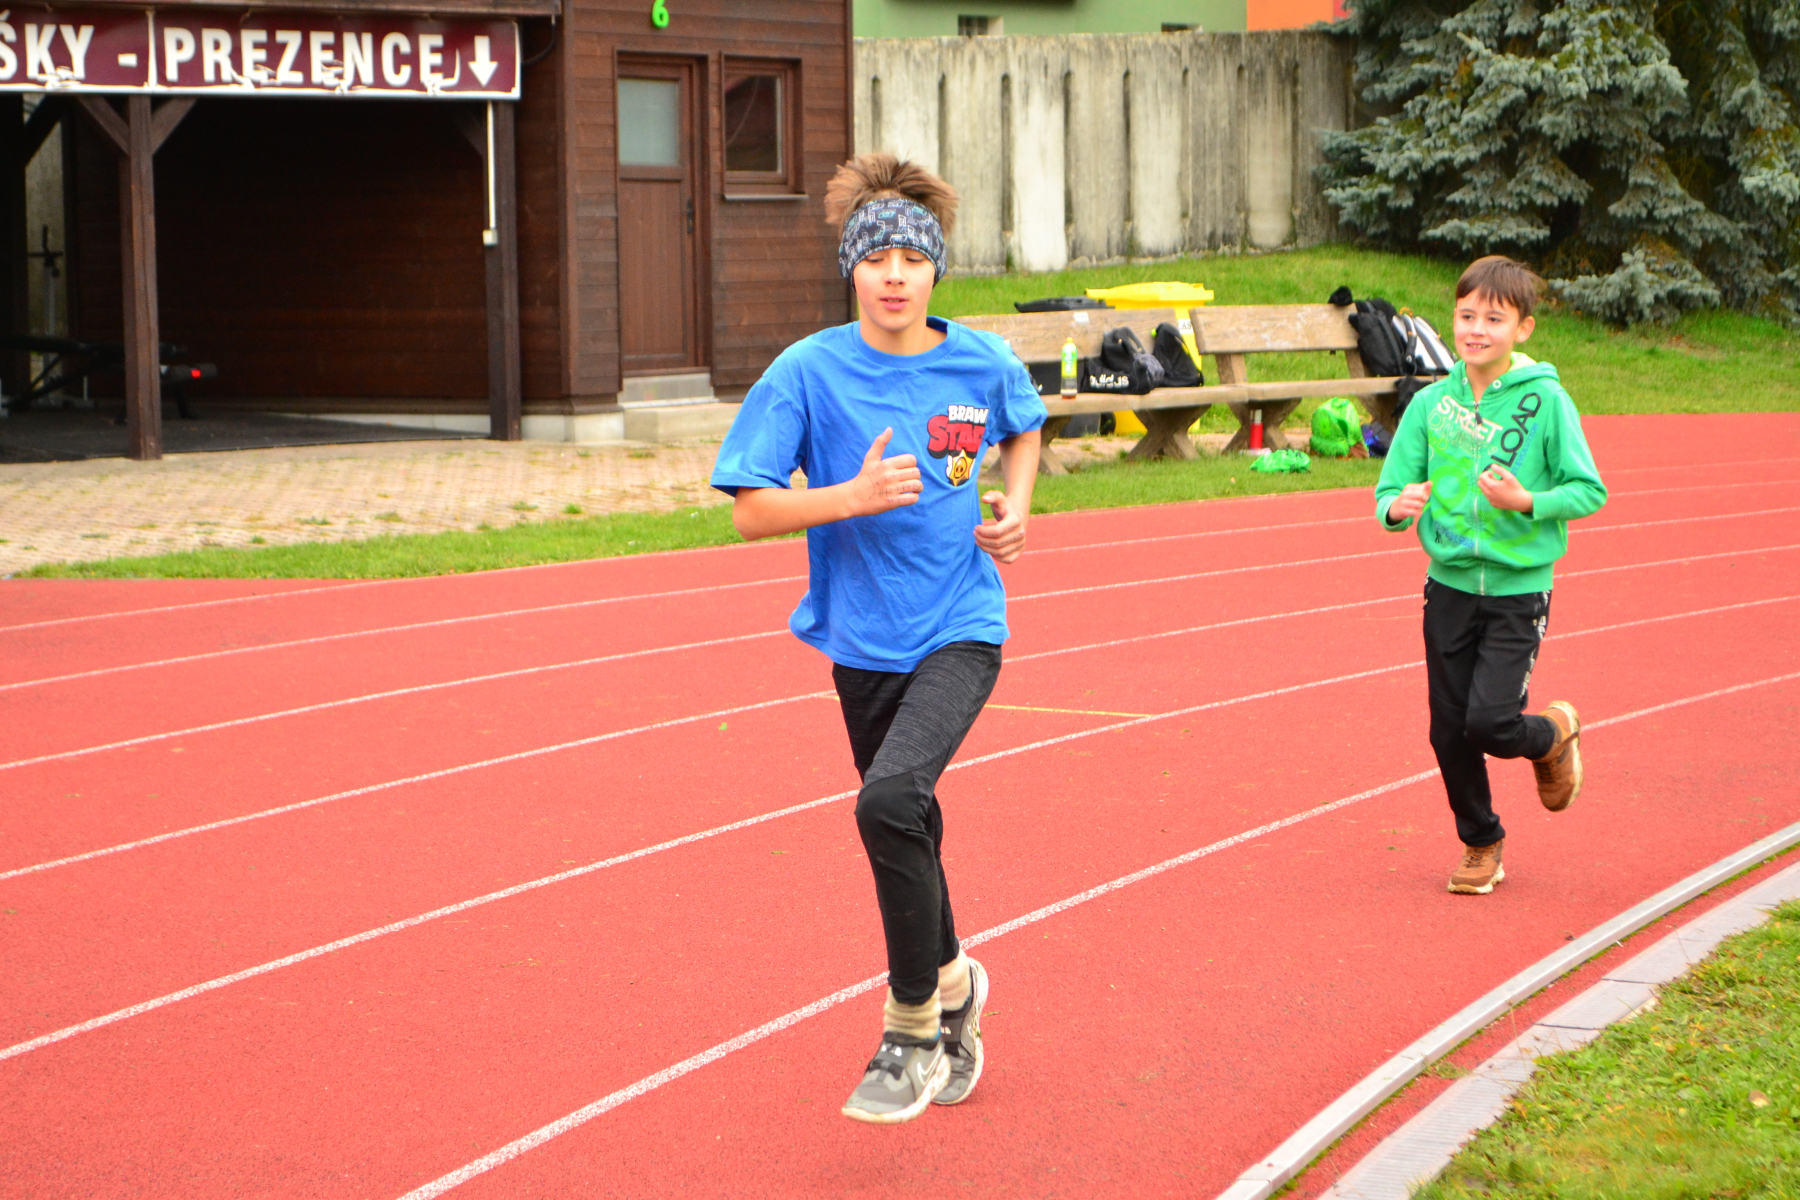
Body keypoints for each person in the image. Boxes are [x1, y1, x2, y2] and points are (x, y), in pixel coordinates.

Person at [709, 154, 1046, 1122]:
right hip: (861, 641)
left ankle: (912, 1033)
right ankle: (958, 983)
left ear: (936, 269)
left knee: (889, 801)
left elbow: (1023, 429)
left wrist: (1016, 508)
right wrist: (848, 497)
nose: (894, 276)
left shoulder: (980, 361)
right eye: (876, 259)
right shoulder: (806, 372)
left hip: (961, 625)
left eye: (912, 259)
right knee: (910, 822)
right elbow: (750, 511)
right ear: (850, 269)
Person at [1374, 255, 1608, 895]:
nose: (1477, 329)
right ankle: (1481, 843)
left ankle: (1551, 735)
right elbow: (1390, 489)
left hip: (1518, 590)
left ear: (1523, 328)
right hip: (1447, 586)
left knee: (1491, 723)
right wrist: (1396, 507)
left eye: (1494, 319)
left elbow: (1588, 490)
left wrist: (1526, 501)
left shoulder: (1546, 402)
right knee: (1447, 731)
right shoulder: (1430, 404)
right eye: (1467, 315)